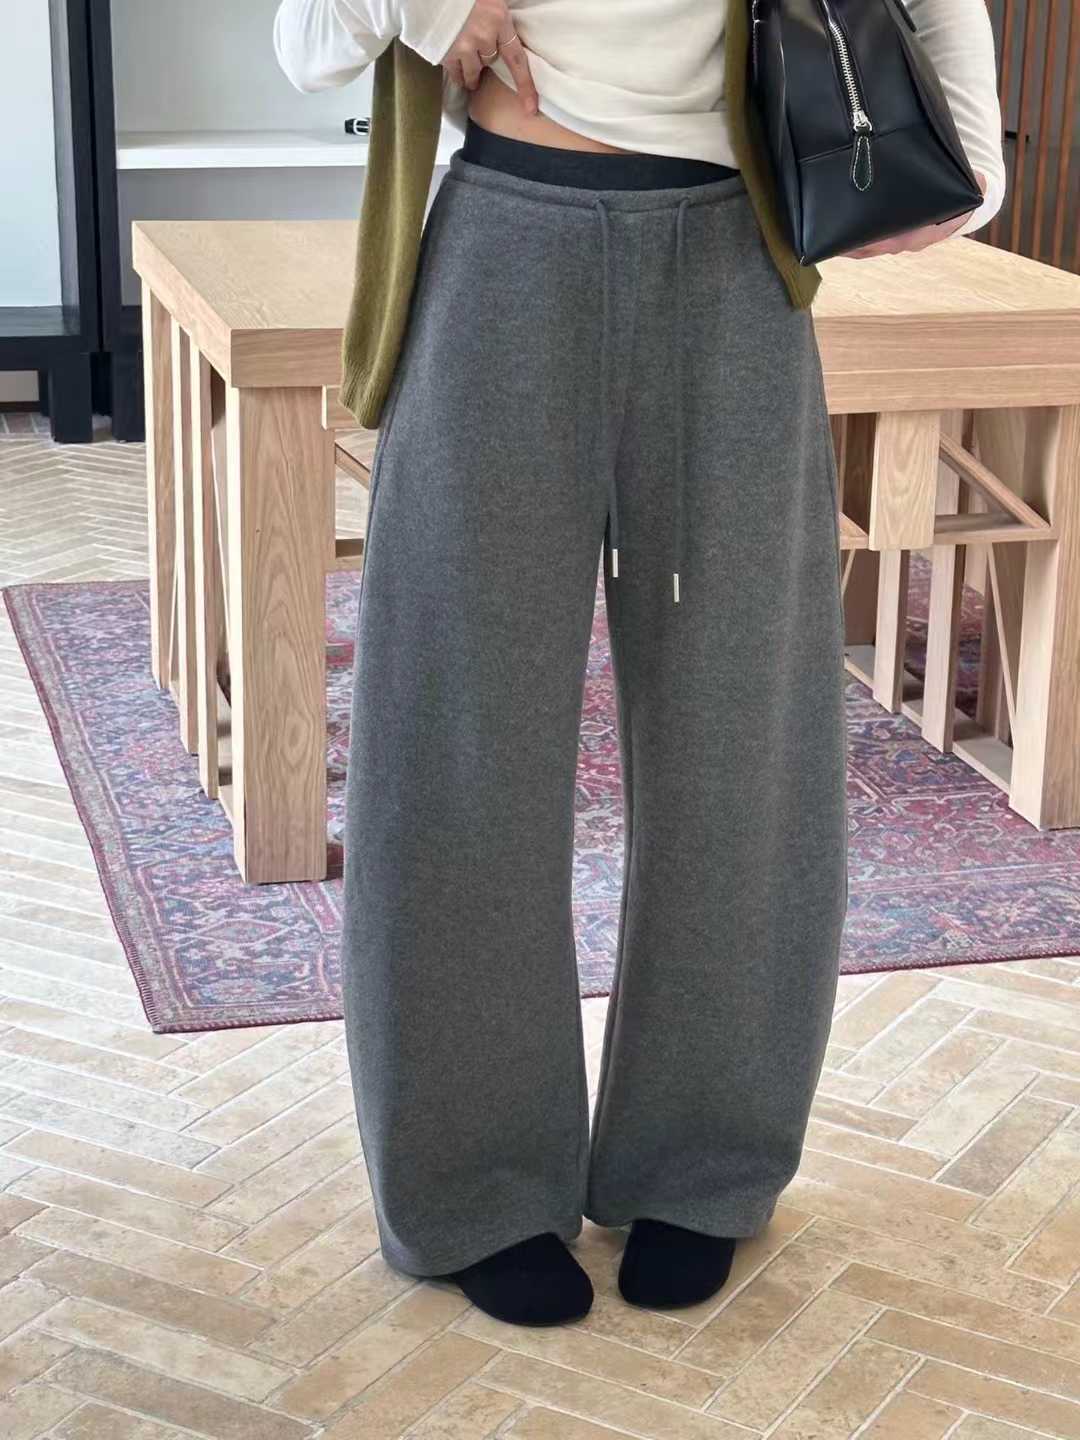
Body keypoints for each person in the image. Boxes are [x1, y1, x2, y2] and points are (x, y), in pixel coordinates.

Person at [274, 0, 1005, 1328]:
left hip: (736, 258)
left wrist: (972, 155)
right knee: (461, 732)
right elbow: (305, 38)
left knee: (743, 732)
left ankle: (702, 1165)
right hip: (502, 241)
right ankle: (475, 1185)